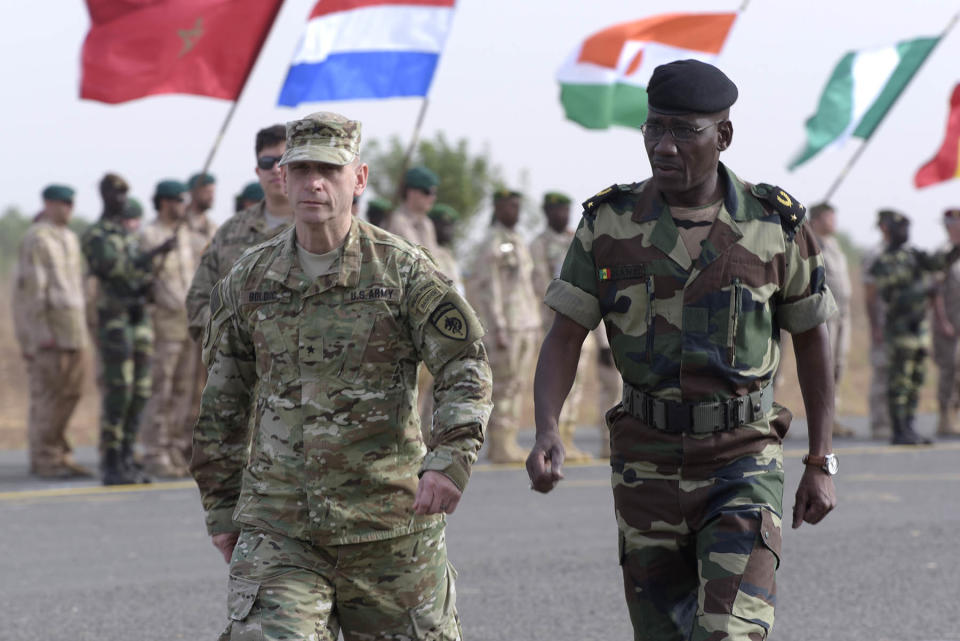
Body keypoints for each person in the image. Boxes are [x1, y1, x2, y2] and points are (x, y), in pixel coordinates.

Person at [526, 60, 839, 640]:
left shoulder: (776, 225)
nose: (663, 147)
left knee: (729, 632)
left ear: (722, 136)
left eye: (683, 131)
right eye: (653, 129)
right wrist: (547, 428)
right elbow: (564, 334)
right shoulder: (610, 223)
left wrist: (820, 460)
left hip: (742, 458)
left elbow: (814, 339)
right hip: (646, 462)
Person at [191, 111, 491, 640]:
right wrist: (220, 506)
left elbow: (463, 361)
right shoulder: (250, 280)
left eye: (329, 170)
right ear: (281, 177)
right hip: (280, 528)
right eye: (300, 168)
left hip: (390, 530)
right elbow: (221, 402)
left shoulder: (402, 271)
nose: (313, 183)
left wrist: (450, 459)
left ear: (359, 178)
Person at [185, 125, 294, 464]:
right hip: (239, 387)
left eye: (284, 159)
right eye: (267, 161)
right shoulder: (231, 232)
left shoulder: (323, 227)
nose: (276, 169)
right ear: (256, 170)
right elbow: (198, 302)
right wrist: (230, 339)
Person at [82, 174, 176, 485]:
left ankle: (127, 457)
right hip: (115, 321)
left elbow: (139, 271)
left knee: (141, 391)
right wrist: (154, 253)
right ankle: (111, 461)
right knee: (119, 391)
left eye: (124, 195)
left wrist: (148, 271)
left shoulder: (127, 235)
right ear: (105, 196)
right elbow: (115, 268)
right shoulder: (97, 234)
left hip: (138, 317)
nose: (121, 200)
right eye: (115, 194)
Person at [13, 184, 93, 478]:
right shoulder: (38, 238)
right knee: (48, 397)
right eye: (62, 203)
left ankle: (60, 453)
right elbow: (33, 292)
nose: (68, 208)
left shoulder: (70, 238)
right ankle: (45, 458)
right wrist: (40, 333)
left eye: (71, 203)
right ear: (47, 203)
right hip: (52, 334)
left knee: (70, 394)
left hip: (75, 330)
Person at [869, 209, 960, 445]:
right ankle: (898, 430)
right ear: (890, 230)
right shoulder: (884, 261)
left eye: (907, 228)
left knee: (915, 380)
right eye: (900, 228)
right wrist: (924, 292)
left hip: (919, 330)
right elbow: (891, 293)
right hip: (900, 330)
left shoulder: (914, 255)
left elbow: (938, 263)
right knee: (899, 381)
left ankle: (909, 427)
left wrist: (955, 250)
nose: (905, 233)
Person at [466, 188, 541, 463]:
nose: (515, 211)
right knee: (504, 386)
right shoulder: (492, 242)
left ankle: (509, 441)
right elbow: (489, 289)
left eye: (517, 206)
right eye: (510, 206)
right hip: (506, 327)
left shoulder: (517, 240)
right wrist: (497, 328)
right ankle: (500, 445)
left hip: (525, 324)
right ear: (497, 208)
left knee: (518, 385)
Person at [137, 179, 194, 477]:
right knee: (161, 388)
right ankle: (155, 451)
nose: (182, 205)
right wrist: (160, 249)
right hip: (162, 323)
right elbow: (145, 274)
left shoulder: (183, 234)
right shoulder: (150, 235)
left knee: (183, 391)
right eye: (177, 200)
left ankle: (174, 448)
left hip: (185, 321)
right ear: (164, 202)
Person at [809, 202, 855, 437]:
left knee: (838, 365)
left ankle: (832, 417)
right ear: (816, 220)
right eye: (828, 217)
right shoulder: (811, 244)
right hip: (825, 313)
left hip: (842, 314)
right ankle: (822, 421)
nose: (834, 221)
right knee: (824, 367)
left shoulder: (834, 245)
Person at [862, 213, 893, 440]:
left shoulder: (902, 252)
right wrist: (875, 326)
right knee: (882, 371)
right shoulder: (876, 255)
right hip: (882, 322)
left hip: (900, 325)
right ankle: (880, 422)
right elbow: (870, 295)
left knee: (898, 372)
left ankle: (896, 420)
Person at [932, 208, 960, 437]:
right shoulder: (943, 253)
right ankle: (944, 417)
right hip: (948, 323)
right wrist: (942, 321)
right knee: (949, 368)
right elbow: (936, 291)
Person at [381, 166, 440, 254]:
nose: (432, 198)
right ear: (411, 192)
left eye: (434, 193)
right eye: (427, 192)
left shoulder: (427, 224)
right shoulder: (395, 222)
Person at [427, 203, 465, 293]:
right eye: (444, 225)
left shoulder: (448, 253)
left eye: (451, 226)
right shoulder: (426, 252)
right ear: (431, 225)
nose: (449, 230)